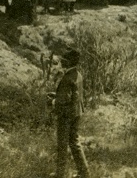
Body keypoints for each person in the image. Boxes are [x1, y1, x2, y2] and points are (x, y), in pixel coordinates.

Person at [52, 49, 90, 178]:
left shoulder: (67, 78)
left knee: (62, 145)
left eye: (63, 60)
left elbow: (64, 100)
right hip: (76, 113)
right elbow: (74, 95)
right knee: (75, 142)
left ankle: (60, 174)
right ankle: (84, 173)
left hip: (66, 115)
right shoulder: (78, 75)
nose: (61, 62)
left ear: (68, 62)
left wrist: (53, 101)